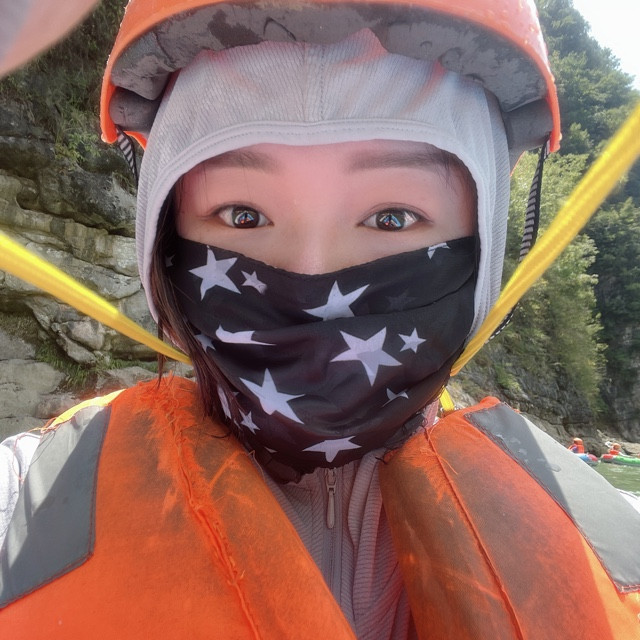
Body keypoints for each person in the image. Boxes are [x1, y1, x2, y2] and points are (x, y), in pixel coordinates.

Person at [2, 0, 640, 637]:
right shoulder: (24, 505)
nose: (313, 274)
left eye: (391, 218)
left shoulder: (616, 549)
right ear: (164, 238)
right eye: (243, 216)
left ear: (485, 239)